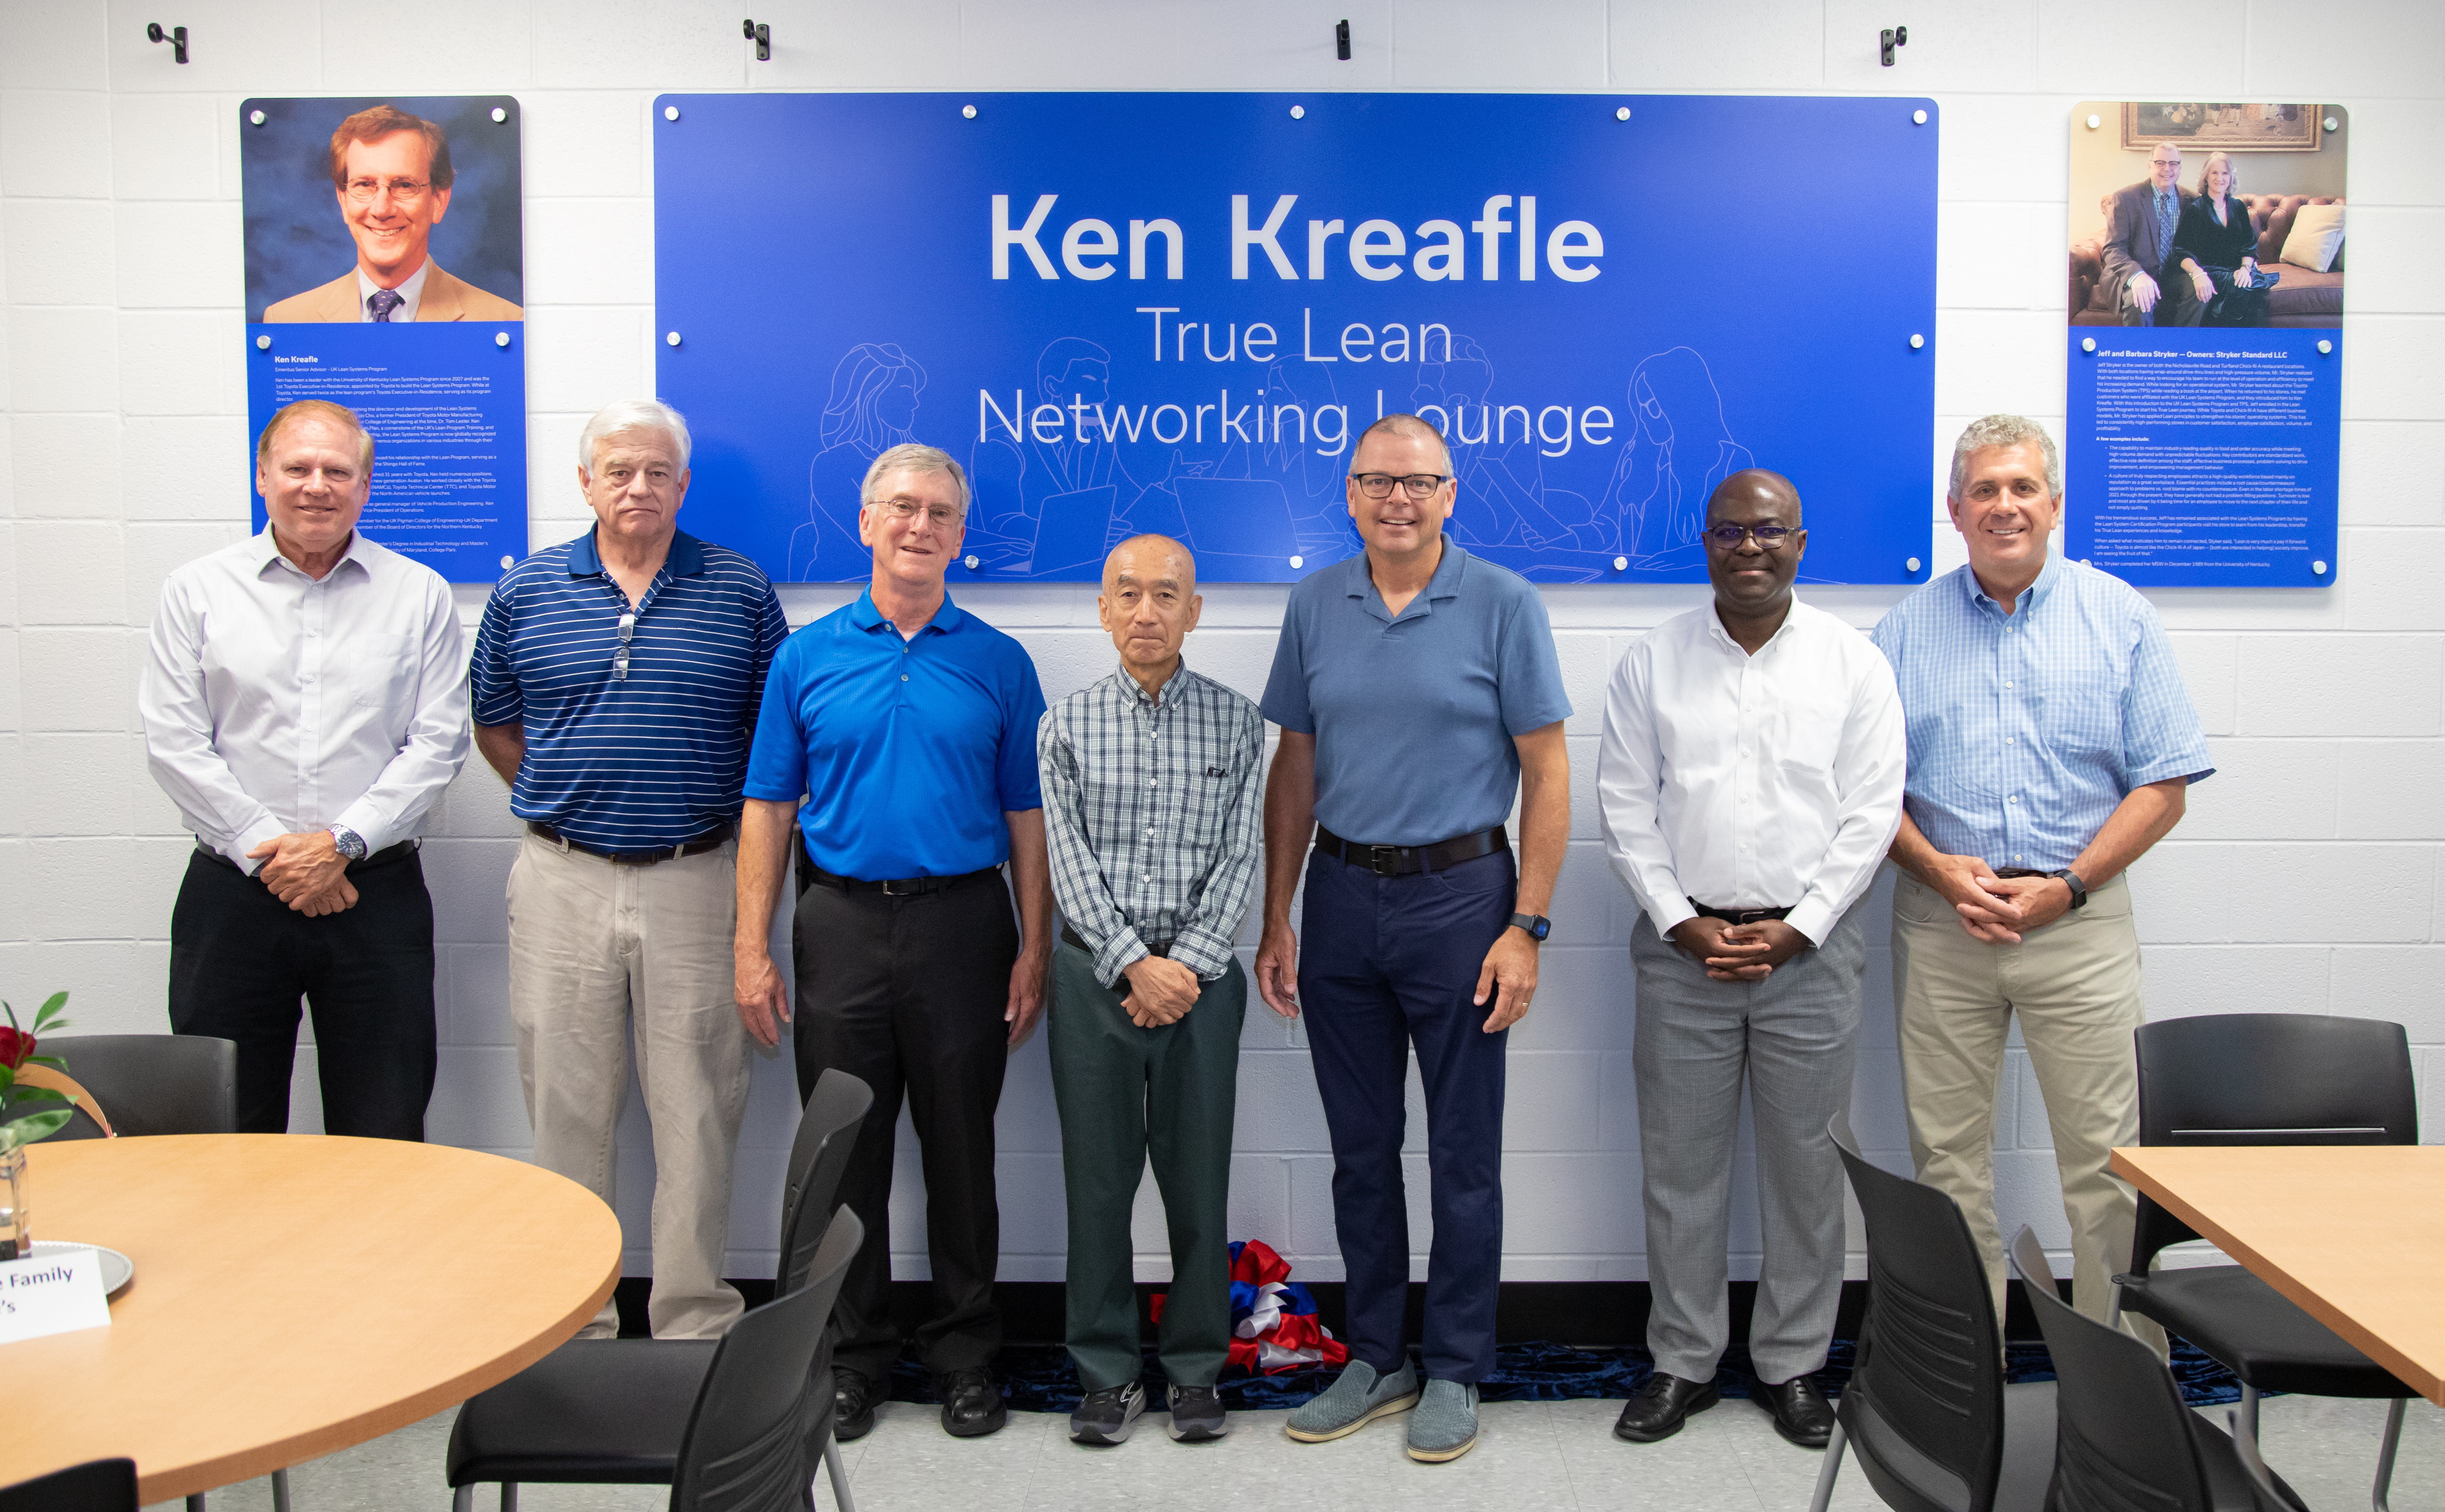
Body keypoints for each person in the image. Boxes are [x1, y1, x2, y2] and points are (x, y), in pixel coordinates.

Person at [1257, 414, 1572, 1464]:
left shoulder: (1501, 603)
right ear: (1348, 495)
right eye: (1377, 482)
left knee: (1463, 1152)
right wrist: (1278, 914)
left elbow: (1549, 773)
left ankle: (1455, 1365)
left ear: (1451, 493)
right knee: (1358, 1150)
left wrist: (1525, 924)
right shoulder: (1316, 602)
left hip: (1463, 900)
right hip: (1343, 896)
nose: (1398, 498)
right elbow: (1294, 769)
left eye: (1420, 481)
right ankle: (1378, 1353)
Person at [1871, 415, 2213, 1346]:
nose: (2005, 506)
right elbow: (1867, 792)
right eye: (1985, 490)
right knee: (1947, 1167)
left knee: (2109, 1169)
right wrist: (1939, 869)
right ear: (1954, 511)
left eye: (2023, 488)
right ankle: (1964, 1377)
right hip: (1947, 926)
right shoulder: (1903, 631)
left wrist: (2070, 882)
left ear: (2056, 505)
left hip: (2081, 924)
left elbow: (2166, 782)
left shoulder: (2121, 616)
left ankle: (2127, 1389)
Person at [734, 442, 1052, 1441]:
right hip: (837, 920)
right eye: (901, 507)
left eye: (939, 512)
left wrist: (1034, 944)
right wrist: (752, 948)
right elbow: (767, 807)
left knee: (962, 1150)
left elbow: (1028, 819)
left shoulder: (1000, 660)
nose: (919, 526)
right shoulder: (806, 655)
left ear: (961, 534)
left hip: (964, 922)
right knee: (847, 1152)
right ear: (865, 521)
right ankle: (854, 1359)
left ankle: (965, 1355)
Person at [1596, 470, 1905, 1448]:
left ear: (1800, 542)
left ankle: (1796, 1364)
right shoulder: (1653, 660)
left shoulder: (1854, 664)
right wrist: (1681, 919)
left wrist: (1803, 923)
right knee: (1679, 1170)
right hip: (1680, 953)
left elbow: (1872, 811)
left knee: (1808, 1171)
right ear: (1706, 543)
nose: (1750, 547)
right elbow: (1623, 805)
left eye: (1768, 531)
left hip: (1809, 955)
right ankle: (1683, 1360)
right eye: (1730, 531)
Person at [468, 398, 786, 1340]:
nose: (638, 487)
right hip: (561, 876)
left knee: (697, 1108)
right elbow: (494, 722)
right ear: (586, 483)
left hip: (698, 876)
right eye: (619, 471)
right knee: (566, 1105)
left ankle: (692, 1314)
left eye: (657, 472)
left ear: (683, 485)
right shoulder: (524, 591)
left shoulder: (739, 591)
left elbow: (772, 747)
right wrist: (573, 800)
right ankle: (577, 1318)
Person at [139, 400, 468, 1138]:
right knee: (224, 1122)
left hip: (373, 893)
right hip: (232, 894)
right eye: (297, 468)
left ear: (365, 486)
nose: (316, 485)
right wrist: (275, 853)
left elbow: (438, 742)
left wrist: (339, 845)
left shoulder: (417, 593)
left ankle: (373, 1260)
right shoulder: (196, 590)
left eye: (337, 470)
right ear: (263, 477)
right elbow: (173, 739)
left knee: (384, 1121)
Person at [1039, 534, 1263, 1448]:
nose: (1145, 611)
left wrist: (1188, 963)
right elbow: (1067, 859)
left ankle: (1195, 1369)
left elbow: (1245, 851)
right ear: (1101, 608)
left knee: (1196, 1181)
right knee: (1097, 1184)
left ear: (1194, 610)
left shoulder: (1243, 723)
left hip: (1204, 984)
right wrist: (1134, 962)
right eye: (1126, 594)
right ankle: (1104, 1369)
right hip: (1097, 976)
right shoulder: (1066, 724)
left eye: (1166, 594)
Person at [264, 104, 522, 323]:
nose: (381, 210)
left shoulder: (503, 320)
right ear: (343, 201)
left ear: (439, 200)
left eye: (405, 186)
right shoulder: (286, 320)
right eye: (364, 185)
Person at [2098, 143, 2203, 328]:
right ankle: (2140, 355)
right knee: (2139, 301)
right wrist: (2137, 275)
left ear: (2180, 167)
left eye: (2173, 164)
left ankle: (2177, 349)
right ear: (2150, 166)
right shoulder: (2126, 198)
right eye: (2160, 163)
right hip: (2136, 273)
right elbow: (2113, 248)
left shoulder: (2193, 200)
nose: (2167, 169)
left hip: (2174, 276)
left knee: (2200, 292)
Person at [2173, 151, 2280, 327]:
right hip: (2209, 271)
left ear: (2231, 178)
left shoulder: (2238, 207)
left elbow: (2249, 245)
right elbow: (2181, 250)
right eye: (2214, 173)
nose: (2220, 178)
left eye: (2225, 173)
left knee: (2249, 283)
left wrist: (2245, 269)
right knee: (2244, 287)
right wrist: (2197, 274)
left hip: (2238, 269)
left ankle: (2248, 342)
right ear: (2206, 177)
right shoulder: (2196, 209)